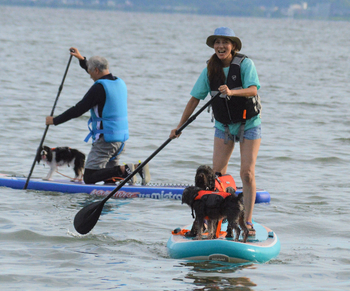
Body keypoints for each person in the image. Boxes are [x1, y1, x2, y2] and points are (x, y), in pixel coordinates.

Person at [169, 27, 262, 236]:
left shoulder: (245, 64)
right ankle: (214, 221)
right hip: (224, 126)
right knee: (216, 177)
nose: (221, 46)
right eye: (217, 42)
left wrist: (231, 92)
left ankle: (247, 220)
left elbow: (254, 89)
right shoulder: (210, 69)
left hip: (249, 124)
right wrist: (179, 126)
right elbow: (194, 99)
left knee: (246, 173)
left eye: (225, 42)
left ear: (233, 46)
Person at [46, 47, 150, 185]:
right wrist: (82, 59)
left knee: (89, 177)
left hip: (105, 141)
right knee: (109, 180)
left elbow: (78, 109)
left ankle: (127, 170)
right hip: (120, 140)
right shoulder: (118, 82)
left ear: (96, 71)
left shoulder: (99, 88)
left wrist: (55, 120)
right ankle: (132, 172)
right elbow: (97, 73)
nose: (90, 76)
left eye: (90, 72)